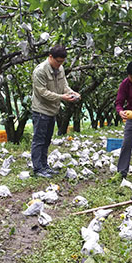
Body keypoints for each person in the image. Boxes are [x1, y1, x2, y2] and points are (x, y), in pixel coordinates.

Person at [31, 44, 80, 178]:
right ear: (50, 57)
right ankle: (37, 169)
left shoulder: (60, 69)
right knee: (39, 140)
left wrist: (72, 93)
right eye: (58, 61)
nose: (59, 64)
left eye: (62, 62)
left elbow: (64, 85)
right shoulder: (40, 71)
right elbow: (42, 93)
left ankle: (44, 165)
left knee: (47, 140)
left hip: (52, 110)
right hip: (41, 110)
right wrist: (62, 97)